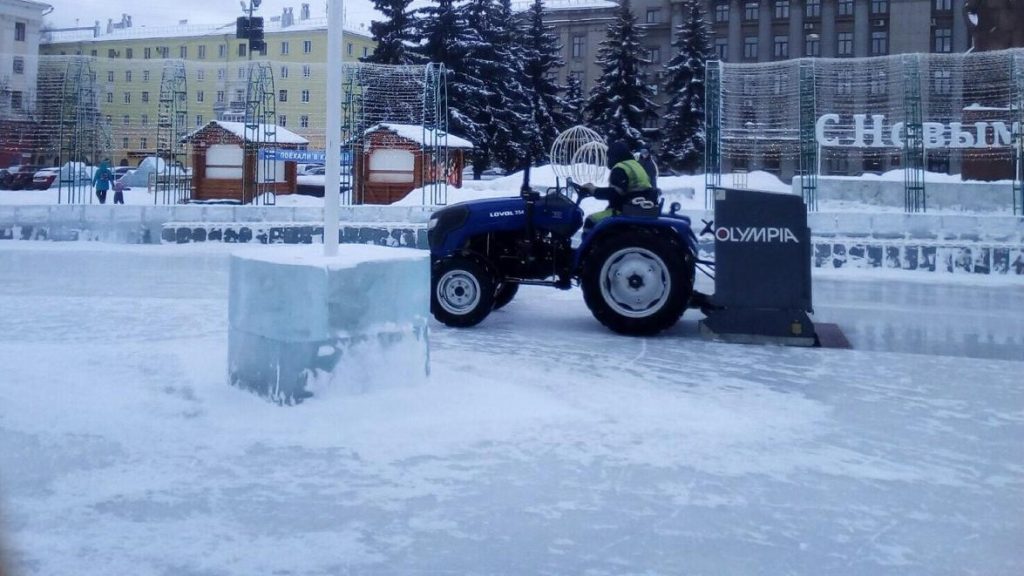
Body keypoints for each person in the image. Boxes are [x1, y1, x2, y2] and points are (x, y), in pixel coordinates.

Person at [580, 140, 656, 230]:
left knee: (591, 220)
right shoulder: (635, 165)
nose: (608, 160)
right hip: (641, 207)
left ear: (614, 156)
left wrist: (593, 190)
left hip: (627, 209)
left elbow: (615, 194)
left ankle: (594, 244)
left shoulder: (620, 168)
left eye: (609, 157)